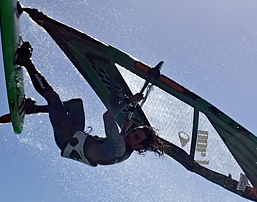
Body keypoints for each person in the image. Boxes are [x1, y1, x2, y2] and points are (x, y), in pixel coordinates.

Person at [14, 42, 166, 166]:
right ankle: (33, 108)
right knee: (76, 104)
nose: (132, 134)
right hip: (76, 135)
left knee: (53, 98)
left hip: (68, 140)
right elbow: (118, 137)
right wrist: (125, 127)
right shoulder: (124, 148)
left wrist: (128, 101)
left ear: (138, 146)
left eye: (136, 136)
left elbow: (107, 117)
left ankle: (24, 61)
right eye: (135, 131)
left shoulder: (120, 147)